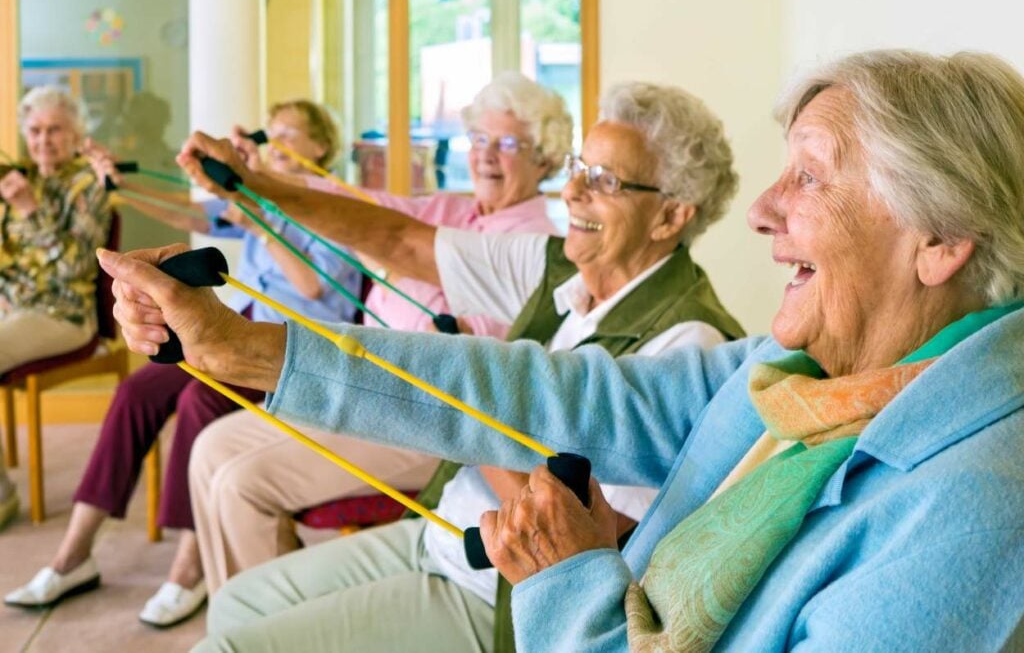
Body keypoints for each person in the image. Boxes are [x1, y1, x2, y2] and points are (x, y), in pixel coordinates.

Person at [108, 49, 1024, 651]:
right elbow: (538, 388)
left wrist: (574, 578)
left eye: (812, 177)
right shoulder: (798, 373)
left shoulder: (972, 509)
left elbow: (579, 514)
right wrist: (241, 348)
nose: (762, 212)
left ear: (938, 238)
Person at [134, 78, 742, 650]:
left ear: (671, 215)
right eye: (580, 169)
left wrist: (466, 413)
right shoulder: (562, 266)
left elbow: (612, 542)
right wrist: (254, 184)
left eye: (605, 180)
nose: (574, 191)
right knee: (237, 604)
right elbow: (400, 239)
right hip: (442, 532)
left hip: (496, 591)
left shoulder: (690, 341)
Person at [188, 73, 575, 595]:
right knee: (209, 449)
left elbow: (477, 350)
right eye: (479, 139)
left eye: (507, 144)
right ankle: (245, 616)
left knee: (239, 484)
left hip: (428, 419)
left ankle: (263, 624)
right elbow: (362, 212)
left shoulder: (535, 242)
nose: (486, 155)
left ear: (545, 159)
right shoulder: (450, 210)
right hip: (359, 388)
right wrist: (254, 178)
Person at [4, 99, 361, 629]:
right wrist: (118, 186)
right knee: (137, 392)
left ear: (321, 146)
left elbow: (314, 289)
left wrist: (260, 221)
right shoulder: (263, 196)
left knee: (199, 400)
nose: (277, 141)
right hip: (247, 328)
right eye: (274, 132)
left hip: (299, 351)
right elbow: (189, 214)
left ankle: (188, 567)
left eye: (292, 133)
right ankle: (73, 554)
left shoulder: (335, 205)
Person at [0, 86, 111, 531]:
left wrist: (29, 209)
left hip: (65, 315)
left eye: (55, 130)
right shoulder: (23, 175)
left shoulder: (88, 184)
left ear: (76, 133)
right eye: (35, 130)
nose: (44, 140)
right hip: (15, 310)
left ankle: (2, 498)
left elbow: (76, 266)